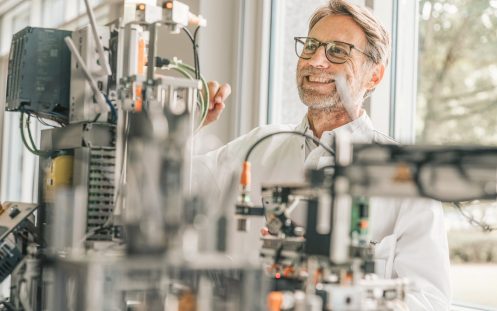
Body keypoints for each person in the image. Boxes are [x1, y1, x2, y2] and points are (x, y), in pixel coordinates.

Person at [195, 0, 451, 309]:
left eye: (338, 51)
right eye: (311, 45)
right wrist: (188, 122)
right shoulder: (257, 147)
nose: (316, 61)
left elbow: (430, 301)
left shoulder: (407, 178)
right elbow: (162, 189)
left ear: (375, 76)